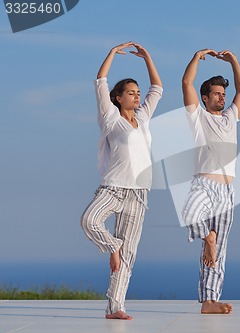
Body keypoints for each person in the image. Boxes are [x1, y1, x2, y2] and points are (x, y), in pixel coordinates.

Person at [80, 42, 162, 320]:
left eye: (138, 93)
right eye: (131, 93)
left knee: (129, 256)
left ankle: (115, 307)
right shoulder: (111, 119)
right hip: (113, 187)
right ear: (118, 98)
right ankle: (112, 246)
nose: (137, 96)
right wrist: (113, 54)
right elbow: (100, 82)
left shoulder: (143, 118)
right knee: (89, 220)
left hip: (139, 193)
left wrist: (148, 58)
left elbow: (157, 89)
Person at [181, 49, 240, 314]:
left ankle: (209, 300)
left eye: (223, 94)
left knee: (219, 250)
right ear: (205, 98)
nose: (222, 97)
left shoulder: (231, 117)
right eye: (217, 94)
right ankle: (206, 236)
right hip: (204, 184)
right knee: (190, 213)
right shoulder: (198, 117)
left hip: (228, 189)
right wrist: (197, 58)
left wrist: (233, 61)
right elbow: (186, 83)